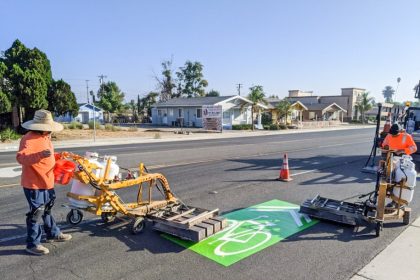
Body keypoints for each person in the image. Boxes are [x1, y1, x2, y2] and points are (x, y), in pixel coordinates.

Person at [16, 110, 72, 255]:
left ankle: (53, 233)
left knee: (47, 209)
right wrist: (40, 155)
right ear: (40, 126)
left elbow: (48, 156)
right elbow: (21, 158)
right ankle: (32, 244)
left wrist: (58, 156)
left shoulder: (46, 137)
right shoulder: (28, 139)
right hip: (34, 184)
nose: (50, 131)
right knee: (36, 213)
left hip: (47, 181)